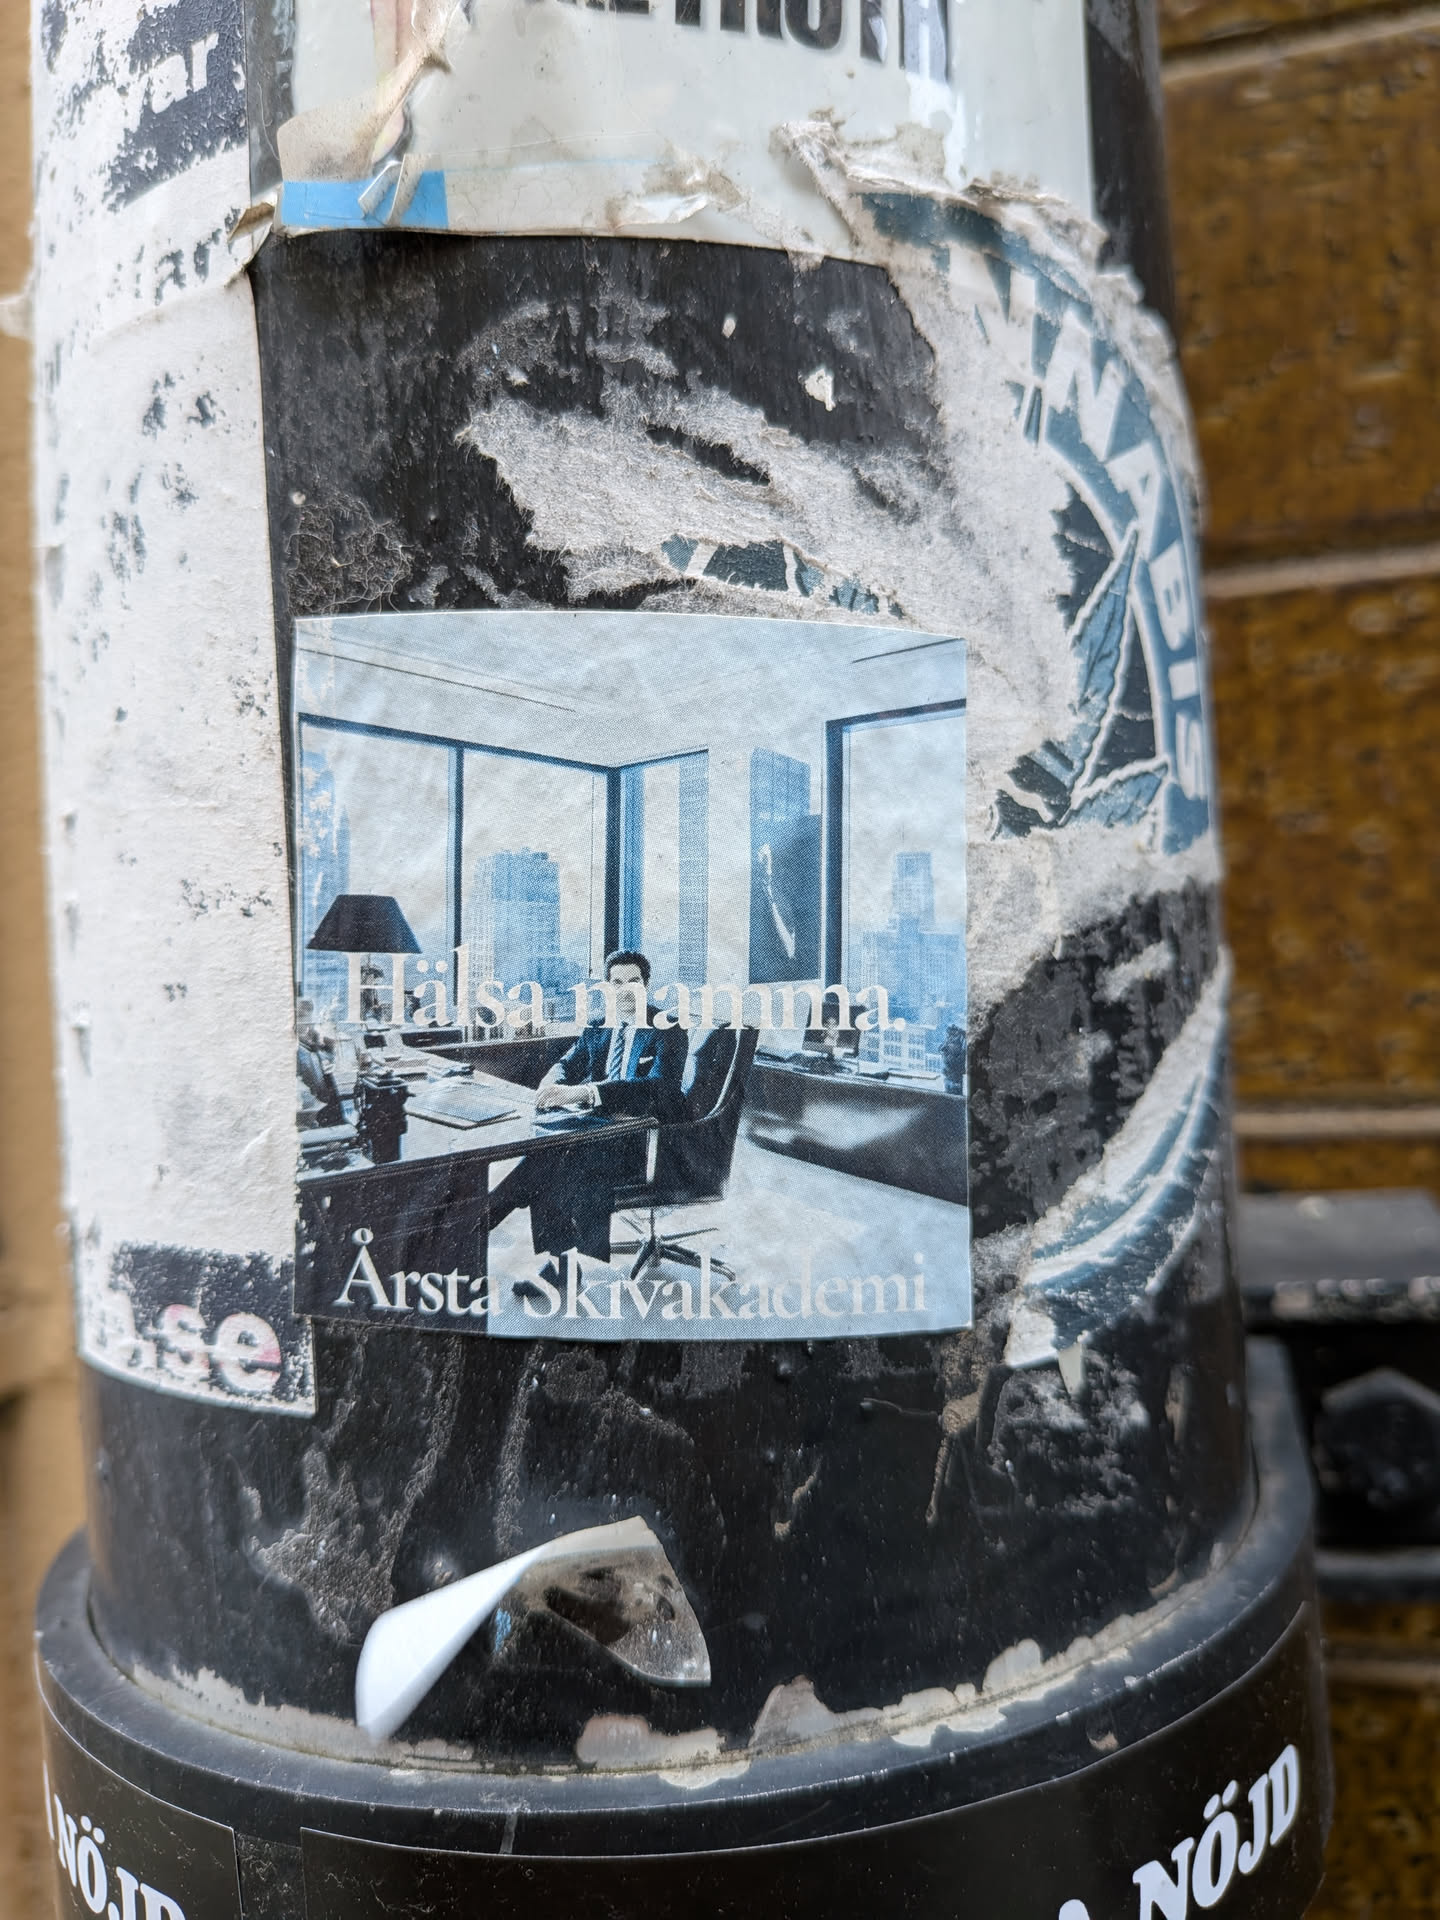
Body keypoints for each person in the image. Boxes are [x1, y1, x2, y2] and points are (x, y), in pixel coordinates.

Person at [486, 951, 687, 1276]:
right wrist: (550, 1084)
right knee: (549, 1156)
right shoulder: (598, 1026)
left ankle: (489, 1217)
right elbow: (566, 1063)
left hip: (639, 1141)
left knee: (550, 1160)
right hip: (593, 1130)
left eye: (633, 982)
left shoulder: (668, 1028)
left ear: (646, 985)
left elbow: (659, 1089)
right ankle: (546, 1254)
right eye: (616, 982)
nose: (625, 990)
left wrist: (586, 1092)